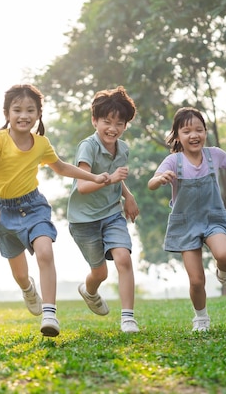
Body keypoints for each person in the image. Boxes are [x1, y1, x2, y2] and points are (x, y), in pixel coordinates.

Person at [0, 84, 110, 337]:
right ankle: (28, 289)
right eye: (17, 110)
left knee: (45, 251)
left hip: (33, 206)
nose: (23, 115)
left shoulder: (41, 143)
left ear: (39, 113)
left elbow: (60, 167)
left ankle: (50, 313)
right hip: (2, 211)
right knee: (20, 274)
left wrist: (93, 177)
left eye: (30, 110)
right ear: (7, 113)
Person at [147, 106, 226, 332]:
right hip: (185, 223)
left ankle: (225, 275)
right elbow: (151, 183)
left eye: (199, 129)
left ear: (205, 132)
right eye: (187, 131)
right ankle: (201, 317)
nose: (194, 135)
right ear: (177, 136)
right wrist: (161, 178)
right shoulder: (174, 161)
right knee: (197, 280)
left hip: (212, 218)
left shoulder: (214, 155)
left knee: (225, 255)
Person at [67, 86, 141, 333]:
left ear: (125, 126)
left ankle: (128, 318)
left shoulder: (123, 149)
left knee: (123, 258)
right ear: (94, 120)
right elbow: (83, 186)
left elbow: (118, 178)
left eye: (119, 123)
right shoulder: (88, 146)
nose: (113, 128)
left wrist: (128, 196)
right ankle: (89, 291)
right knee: (100, 272)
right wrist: (110, 179)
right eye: (107, 121)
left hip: (111, 214)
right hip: (84, 220)